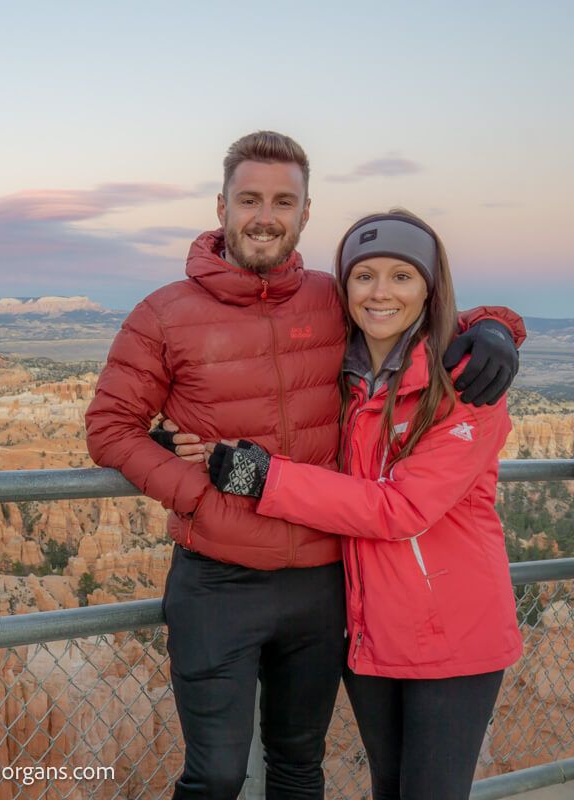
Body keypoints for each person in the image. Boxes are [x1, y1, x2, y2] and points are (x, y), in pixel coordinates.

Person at [83, 130, 521, 800]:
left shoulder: (329, 298)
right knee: (217, 775)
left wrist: (496, 327)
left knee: (297, 768)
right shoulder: (163, 315)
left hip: (320, 585)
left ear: (305, 213)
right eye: (250, 198)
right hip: (219, 582)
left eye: (283, 201)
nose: (265, 215)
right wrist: (195, 494)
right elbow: (111, 428)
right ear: (222, 205)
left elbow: (412, 308)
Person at [200, 209, 522, 799]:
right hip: (370, 629)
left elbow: (401, 510)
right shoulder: (341, 373)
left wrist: (265, 479)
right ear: (343, 285)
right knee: (388, 788)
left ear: (430, 286)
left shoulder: (468, 384)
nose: (380, 293)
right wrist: (184, 432)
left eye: (402, 276)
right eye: (364, 275)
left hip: (453, 633)